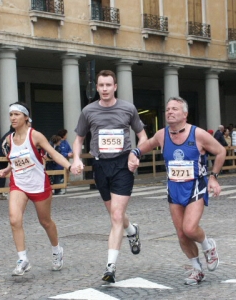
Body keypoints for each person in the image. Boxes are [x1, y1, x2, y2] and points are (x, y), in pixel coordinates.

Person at [128, 96, 226, 286]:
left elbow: (221, 151)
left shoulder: (198, 134)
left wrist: (213, 177)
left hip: (195, 186)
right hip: (174, 188)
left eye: (174, 109)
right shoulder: (162, 135)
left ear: (185, 114)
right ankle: (197, 270)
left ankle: (208, 245)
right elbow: (146, 146)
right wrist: (135, 153)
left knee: (190, 228)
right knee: (181, 234)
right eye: (167, 109)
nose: (170, 112)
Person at [70, 70, 147, 283]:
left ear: (115, 86)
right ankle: (132, 231)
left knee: (115, 216)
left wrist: (136, 153)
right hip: (101, 165)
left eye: (108, 85)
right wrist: (76, 159)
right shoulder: (88, 111)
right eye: (101, 85)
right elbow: (78, 139)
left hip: (123, 164)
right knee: (115, 215)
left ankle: (110, 267)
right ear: (97, 87)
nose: (104, 89)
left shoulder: (128, 108)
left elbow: (142, 136)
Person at [0, 102, 74, 276]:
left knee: (45, 222)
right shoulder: (8, 140)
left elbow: (53, 154)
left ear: (26, 117)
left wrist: (69, 167)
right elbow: (15, 160)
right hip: (18, 184)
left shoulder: (35, 136)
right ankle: (22, 259)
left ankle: (57, 250)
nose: (13, 118)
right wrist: (7, 169)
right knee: (14, 219)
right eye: (11, 115)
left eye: (17, 114)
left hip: (39, 184)